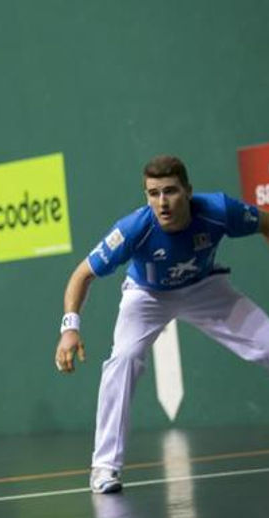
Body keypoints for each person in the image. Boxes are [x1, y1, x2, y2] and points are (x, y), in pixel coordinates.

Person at [54, 155, 269, 493]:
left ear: (188, 191)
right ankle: (104, 467)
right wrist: (69, 328)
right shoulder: (133, 229)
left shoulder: (219, 210)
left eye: (170, 191)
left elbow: (265, 223)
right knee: (123, 360)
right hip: (147, 297)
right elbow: (82, 275)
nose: (162, 202)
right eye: (153, 194)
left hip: (204, 289)